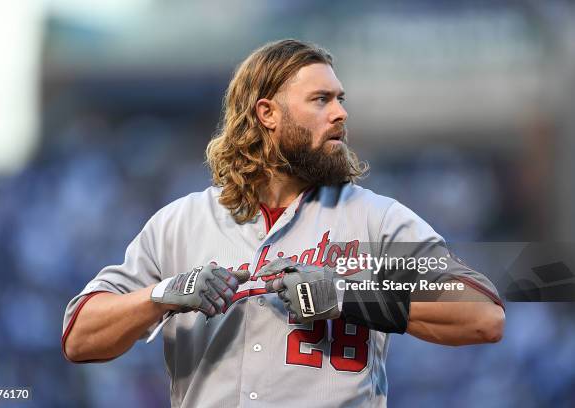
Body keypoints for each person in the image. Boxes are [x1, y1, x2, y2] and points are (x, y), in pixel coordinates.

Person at [62, 39, 505, 407]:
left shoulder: (376, 218)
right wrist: (161, 295)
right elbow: (79, 337)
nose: (340, 113)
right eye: (321, 100)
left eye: (340, 100)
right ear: (267, 113)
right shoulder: (181, 221)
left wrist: (346, 294)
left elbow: (482, 315)